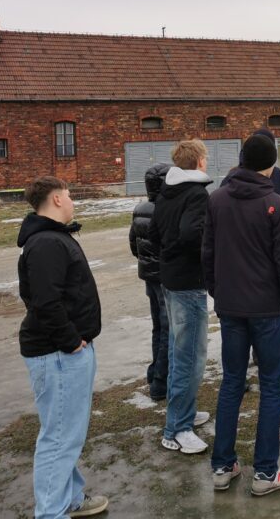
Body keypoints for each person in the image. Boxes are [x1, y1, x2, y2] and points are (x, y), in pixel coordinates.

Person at [203, 134, 280, 494]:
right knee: (271, 385)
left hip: (233, 306)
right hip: (264, 309)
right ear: (271, 164)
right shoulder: (276, 204)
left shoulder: (217, 200)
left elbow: (208, 255)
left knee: (232, 382)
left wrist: (219, 291)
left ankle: (223, 465)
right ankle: (264, 471)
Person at [17, 176, 108, 518]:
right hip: (57, 355)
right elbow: (45, 301)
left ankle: (70, 499)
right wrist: (71, 342)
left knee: (66, 433)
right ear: (56, 199)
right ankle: (51, 513)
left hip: (64, 353)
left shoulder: (53, 238)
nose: (72, 201)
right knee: (58, 438)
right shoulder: (46, 244)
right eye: (69, 195)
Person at [150, 139, 213, 454]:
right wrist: (208, 256)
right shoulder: (196, 194)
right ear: (200, 161)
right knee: (189, 356)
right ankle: (177, 429)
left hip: (171, 278)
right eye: (206, 158)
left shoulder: (166, 191)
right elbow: (194, 235)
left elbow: (156, 233)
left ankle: (183, 413)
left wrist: (171, 252)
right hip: (187, 282)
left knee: (179, 352)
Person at [129, 163, 171, 401]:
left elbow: (133, 243)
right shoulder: (165, 210)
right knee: (168, 330)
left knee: (159, 326)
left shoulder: (140, 208)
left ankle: (155, 371)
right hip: (164, 277)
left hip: (150, 276)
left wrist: (146, 262)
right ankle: (160, 382)